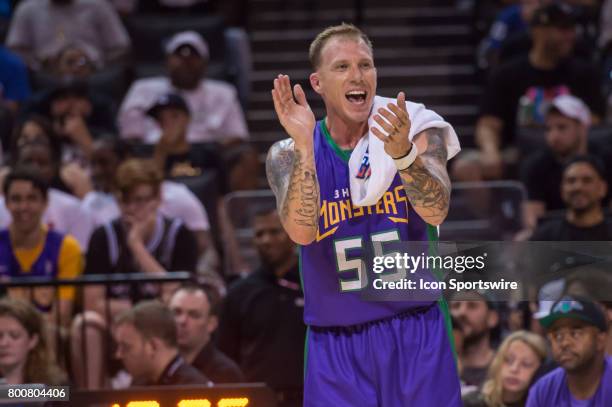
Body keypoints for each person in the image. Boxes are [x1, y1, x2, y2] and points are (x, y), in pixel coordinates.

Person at [265, 23, 461, 406]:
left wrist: (404, 154)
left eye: (366, 65)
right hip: (336, 341)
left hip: (415, 330)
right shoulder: (288, 153)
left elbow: (437, 209)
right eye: (342, 67)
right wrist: (307, 146)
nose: (357, 76)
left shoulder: (418, 130)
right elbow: (302, 233)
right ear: (318, 83)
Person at [71, 158, 198, 389]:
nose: (133, 209)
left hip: (165, 328)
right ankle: (94, 402)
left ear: (158, 198)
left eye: (141, 200)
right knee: (85, 323)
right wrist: (147, 309)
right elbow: (92, 303)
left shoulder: (179, 235)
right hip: (115, 328)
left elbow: (177, 297)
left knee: (183, 318)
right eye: (126, 201)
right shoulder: (104, 236)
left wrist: (137, 247)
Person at [463, 2, 605, 181]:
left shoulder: (584, 72)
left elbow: (596, 119)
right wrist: (490, 152)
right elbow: (488, 123)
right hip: (517, 151)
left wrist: (563, 137)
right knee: (467, 167)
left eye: (571, 29)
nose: (570, 35)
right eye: (562, 29)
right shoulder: (507, 73)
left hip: (571, 151)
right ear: (538, 32)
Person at [217, 208, 305, 404]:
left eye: (274, 232)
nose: (266, 240)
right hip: (257, 400)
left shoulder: (314, 285)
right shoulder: (239, 293)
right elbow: (226, 354)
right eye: (259, 234)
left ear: (292, 234)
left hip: (310, 397)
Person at [81, 137, 215, 258]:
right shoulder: (91, 203)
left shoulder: (177, 197)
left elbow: (202, 245)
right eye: (92, 164)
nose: (96, 171)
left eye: (104, 163)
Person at [118, 31, 248, 145]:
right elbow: (129, 137)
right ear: (167, 61)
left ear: (205, 63)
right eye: (179, 55)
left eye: (193, 56)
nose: (186, 61)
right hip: (153, 157)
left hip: (207, 159)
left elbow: (237, 135)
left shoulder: (224, 92)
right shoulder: (142, 88)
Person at [0, 167, 82, 330]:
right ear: (6, 203)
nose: (24, 206)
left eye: (32, 198)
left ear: (45, 203)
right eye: (16, 199)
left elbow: (62, 316)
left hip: (48, 337)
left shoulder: (67, 247)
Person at [520, 95, 612, 230]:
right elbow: (533, 220)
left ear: (582, 127)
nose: (553, 136)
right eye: (548, 129)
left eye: (561, 127)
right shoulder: (535, 165)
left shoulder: (608, 159)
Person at [0, 140, 96, 248]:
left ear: (54, 168)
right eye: (28, 162)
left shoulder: (74, 209)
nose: (34, 168)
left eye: (42, 163)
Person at [526, 296, 612, 406]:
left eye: (575, 333)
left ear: (600, 339)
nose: (565, 343)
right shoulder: (542, 391)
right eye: (557, 335)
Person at [5, 0, 130, 70]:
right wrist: (38, 64)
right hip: (44, 75)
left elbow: (121, 47)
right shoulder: (28, 8)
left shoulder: (98, 6)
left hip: (93, 75)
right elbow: (15, 49)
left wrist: (96, 63)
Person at [113, 300, 210, 386]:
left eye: (126, 347)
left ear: (153, 347)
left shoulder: (195, 392)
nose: (118, 355)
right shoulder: (139, 383)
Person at [169, 283, 243, 383]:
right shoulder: (155, 368)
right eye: (176, 312)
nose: (182, 321)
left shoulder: (226, 373)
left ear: (211, 324)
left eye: (194, 315)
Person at [530, 155, 612, 241]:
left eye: (587, 180)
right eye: (571, 181)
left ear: (602, 188)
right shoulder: (543, 237)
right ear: (562, 189)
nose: (578, 187)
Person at [463, 330, 547, 407]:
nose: (514, 369)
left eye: (526, 364)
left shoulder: (542, 403)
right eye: (508, 360)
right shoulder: (471, 403)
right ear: (497, 362)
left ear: (539, 371)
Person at [0, 297, 66, 385]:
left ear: (33, 340)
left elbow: (62, 395)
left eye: (15, 336)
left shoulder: (55, 385)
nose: (3, 343)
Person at [451, 291, 500, 389]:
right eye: (456, 306)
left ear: (492, 318)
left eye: (472, 305)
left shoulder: (505, 369)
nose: (462, 312)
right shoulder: (437, 367)